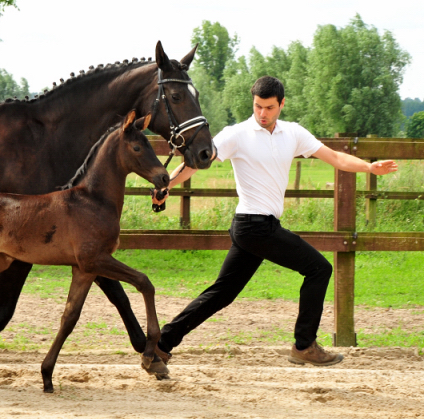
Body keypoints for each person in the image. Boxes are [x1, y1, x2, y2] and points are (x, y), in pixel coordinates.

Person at [152, 76, 398, 366]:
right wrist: (167, 185)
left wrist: (369, 166)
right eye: (257, 106)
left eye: (269, 107)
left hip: (257, 228)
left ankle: (160, 344)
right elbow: (197, 161)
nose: (262, 114)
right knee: (319, 268)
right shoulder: (237, 134)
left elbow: (335, 158)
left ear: (281, 104)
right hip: (253, 225)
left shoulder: (293, 133)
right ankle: (304, 345)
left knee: (222, 293)